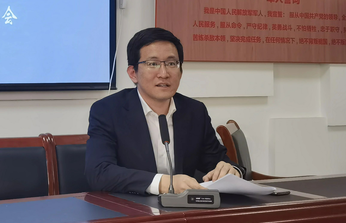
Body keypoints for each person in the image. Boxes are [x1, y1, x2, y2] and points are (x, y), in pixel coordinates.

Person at [85, 27, 244, 195]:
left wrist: (231, 171)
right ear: (133, 73)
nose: (164, 73)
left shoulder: (194, 111)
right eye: (153, 64)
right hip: (131, 206)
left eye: (171, 63)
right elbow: (98, 172)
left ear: (181, 71)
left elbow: (219, 161)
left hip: (183, 208)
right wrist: (163, 183)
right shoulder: (108, 111)